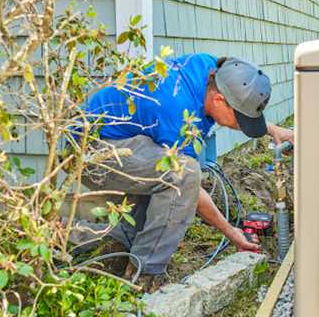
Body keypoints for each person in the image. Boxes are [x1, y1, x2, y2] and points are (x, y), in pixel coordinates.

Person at [76, 53, 294, 292]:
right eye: (240, 119)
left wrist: (272, 130)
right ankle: (144, 274)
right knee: (183, 173)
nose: (240, 126)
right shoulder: (176, 113)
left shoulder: (212, 68)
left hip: (121, 140)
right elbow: (187, 188)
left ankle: (114, 244)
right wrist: (232, 232)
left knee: (164, 166)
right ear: (220, 99)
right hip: (90, 153)